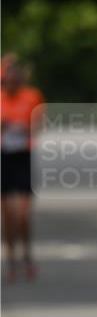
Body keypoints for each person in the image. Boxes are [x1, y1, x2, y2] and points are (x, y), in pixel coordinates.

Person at [1, 55, 45, 281]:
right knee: (8, 213)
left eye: (16, 80)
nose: (11, 84)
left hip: (23, 156)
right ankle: (11, 260)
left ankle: (27, 254)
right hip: (3, 158)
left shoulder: (32, 96)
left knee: (23, 214)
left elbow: (40, 123)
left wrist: (27, 127)